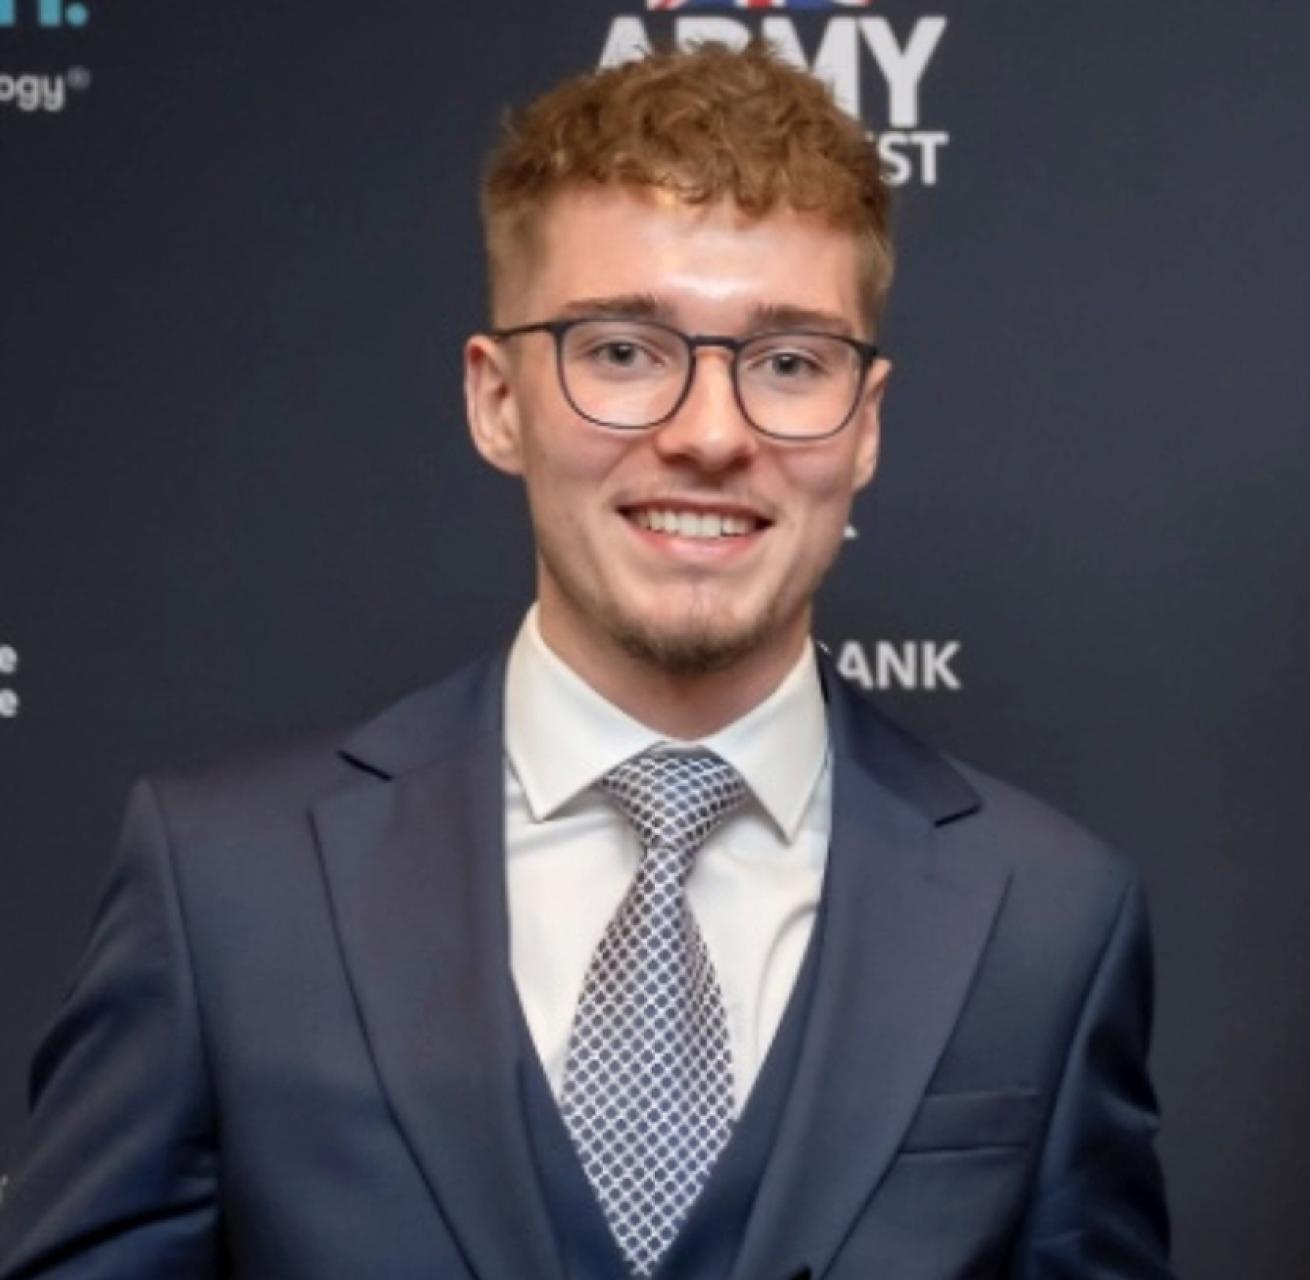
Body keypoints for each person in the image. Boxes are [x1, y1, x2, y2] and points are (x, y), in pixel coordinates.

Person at [0, 41, 1171, 1280]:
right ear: (497, 399)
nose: (709, 434)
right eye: (621, 350)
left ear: (863, 423)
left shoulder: (1047, 918)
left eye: (786, 363)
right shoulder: (225, 890)